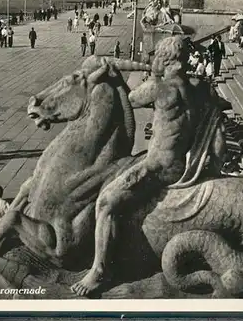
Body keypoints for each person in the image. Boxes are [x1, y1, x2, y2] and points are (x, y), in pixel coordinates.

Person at [72, 36, 226, 296]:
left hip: (157, 166)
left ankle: (99, 271)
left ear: (164, 59)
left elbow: (130, 97)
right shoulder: (201, 87)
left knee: (106, 202)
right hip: (180, 163)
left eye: (158, 57)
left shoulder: (160, 87)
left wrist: (118, 74)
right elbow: (218, 132)